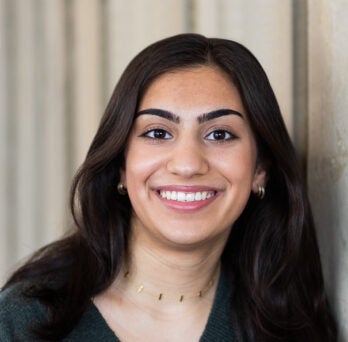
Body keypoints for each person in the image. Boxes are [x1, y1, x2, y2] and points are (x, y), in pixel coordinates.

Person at [0, 33, 336, 341]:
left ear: (260, 169)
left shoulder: (291, 325)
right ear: (121, 163)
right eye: (158, 133)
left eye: (220, 134)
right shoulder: (24, 322)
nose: (188, 164)